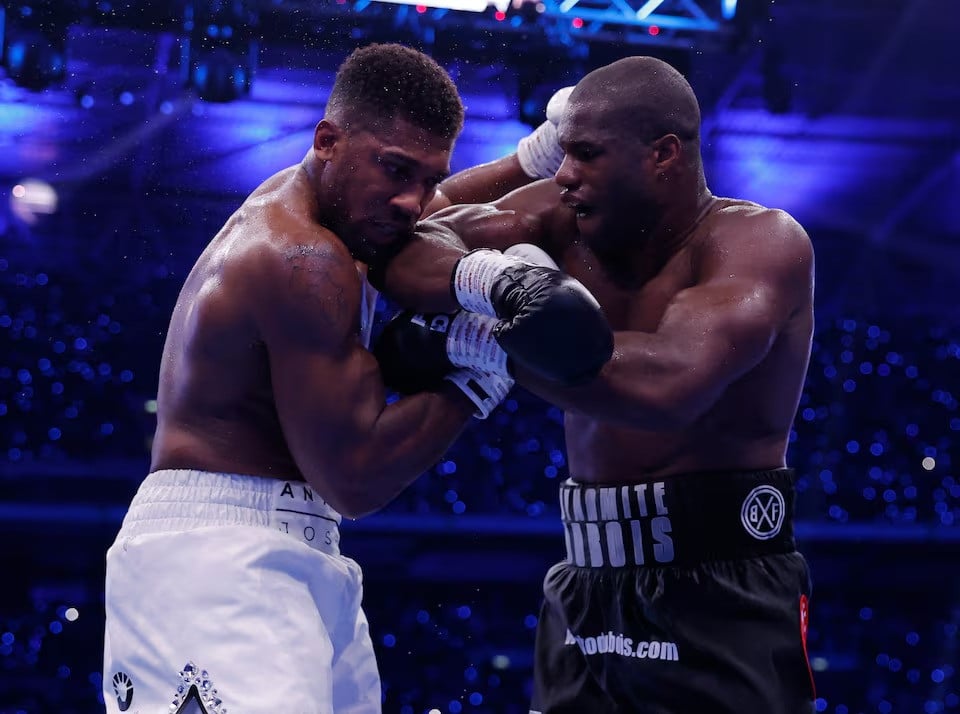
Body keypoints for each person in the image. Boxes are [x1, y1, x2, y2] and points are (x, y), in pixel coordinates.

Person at [100, 43, 613, 714]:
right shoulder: (301, 259)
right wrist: (483, 368)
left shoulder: (331, 212)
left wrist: (533, 159)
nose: (412, 200)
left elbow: (425, 206)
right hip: (218, 562)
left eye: (428, 177)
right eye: (395, 169)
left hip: (291, 549)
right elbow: (355, 478)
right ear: (328, 140)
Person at [372, 55, 817, 713]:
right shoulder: (562, 216)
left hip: (721, 592)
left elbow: (669, 387)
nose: (566, 176)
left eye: (586, 154)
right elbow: (404, 235)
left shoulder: (757, 242)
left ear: (664, 155)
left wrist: (486, 346)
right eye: (564, 154)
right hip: (585, 584)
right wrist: (490, 281)